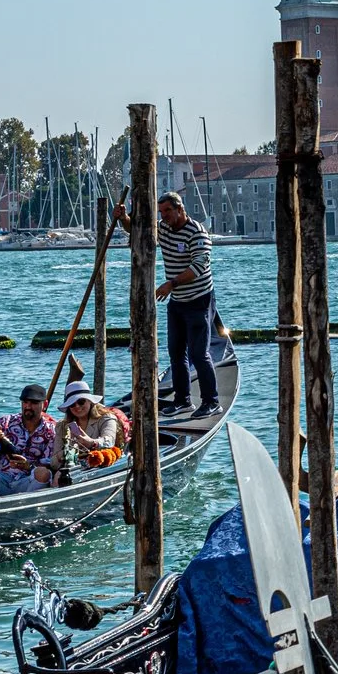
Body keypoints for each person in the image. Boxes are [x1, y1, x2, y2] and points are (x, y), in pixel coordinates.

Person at [115, 190, 220, 418]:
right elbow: (138, 233)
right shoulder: (163, 228)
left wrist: (171, 283)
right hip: (178, 302)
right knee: (175, 352)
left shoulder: (197, 233)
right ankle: (183, 400)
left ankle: (211, 401)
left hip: (199, 300)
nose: (163, 216)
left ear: (180, 209)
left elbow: (199, 266)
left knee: (199, 353)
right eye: (161, 212)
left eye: (168, 211)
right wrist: (124, 218)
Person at [0, 383, 61, 498]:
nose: (28, 407)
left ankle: (29, 507)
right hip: (1, 479)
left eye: (34, 403)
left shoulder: (51, 431)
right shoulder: (4, 423)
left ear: (44, 404)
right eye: (25, 402)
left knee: (43, 473)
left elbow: (50, 465)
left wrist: (28, 466)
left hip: (28, 482)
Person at [61, 383, 130, 469]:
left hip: (101, 466)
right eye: (72, 404)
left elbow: (109, 441)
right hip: (74, 468)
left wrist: (92, 442)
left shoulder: (107, 418)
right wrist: (62, 454)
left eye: (81, 402)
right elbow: (54, 461)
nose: (77, 406)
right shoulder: (62, 426)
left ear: (90, 401)